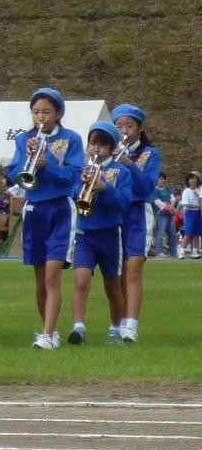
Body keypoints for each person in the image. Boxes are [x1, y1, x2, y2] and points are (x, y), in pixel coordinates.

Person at [7, 87, 84, 350]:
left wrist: (46, 162)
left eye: (46, 112)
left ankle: (48, 333)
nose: (40, 117)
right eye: (36, 112)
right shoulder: (24, 139)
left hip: (60, 208)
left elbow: (72, 177)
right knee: (40, 279)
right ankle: (48, 332)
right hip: (34, 208)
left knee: (52, 275)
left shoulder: (71, 139)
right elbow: (16, 173)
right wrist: (28, 158)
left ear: (58, 113)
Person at [67, 122, 132, 345]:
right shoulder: (82, 170)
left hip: (110, 235)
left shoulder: (121, 171)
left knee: (113, 287)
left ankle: (115, 328)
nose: (96, 149)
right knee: (81, 281)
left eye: (102, 145)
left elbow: (124, 202)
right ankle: (78, 327)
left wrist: (105, 188)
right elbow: (75, 197)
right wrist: (83, 186)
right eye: (93, 144)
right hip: (85, 234)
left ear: (112, 149)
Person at [111, 104, 160, 343]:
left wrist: (130, 164)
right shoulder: (110, 153)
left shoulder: (150, 154)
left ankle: (131, 325)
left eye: (129, 126)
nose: (124, 131)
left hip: (139, 213)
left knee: (134, 269)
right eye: (119, 126)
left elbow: (146, 188)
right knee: (118, 273)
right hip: (116, 213)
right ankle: (119, 323)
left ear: (139, 128)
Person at [151, 172, 176, 258]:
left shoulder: (168, 189)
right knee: (160, 233)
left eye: (164, 178)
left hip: (169, 215)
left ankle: (173, 252)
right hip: (160, 215)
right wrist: (169, 208)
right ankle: (159, 252)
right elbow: (157, 202)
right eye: (160, 178)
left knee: (173, 233)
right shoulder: (154, 190)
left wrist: (172, 206)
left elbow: (173, 199)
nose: (162, 180)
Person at [180, 172, 201, 259]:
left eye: (194, 178)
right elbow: (186, 204)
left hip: (198, 213)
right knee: (188, 233)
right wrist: (198, 206)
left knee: (197, 234)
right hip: (190, 213)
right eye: (191, 178)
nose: (193, 180)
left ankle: (195, 252)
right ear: (188, 181)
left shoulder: (199, 190)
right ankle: (181, 251)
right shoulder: (186, 191)